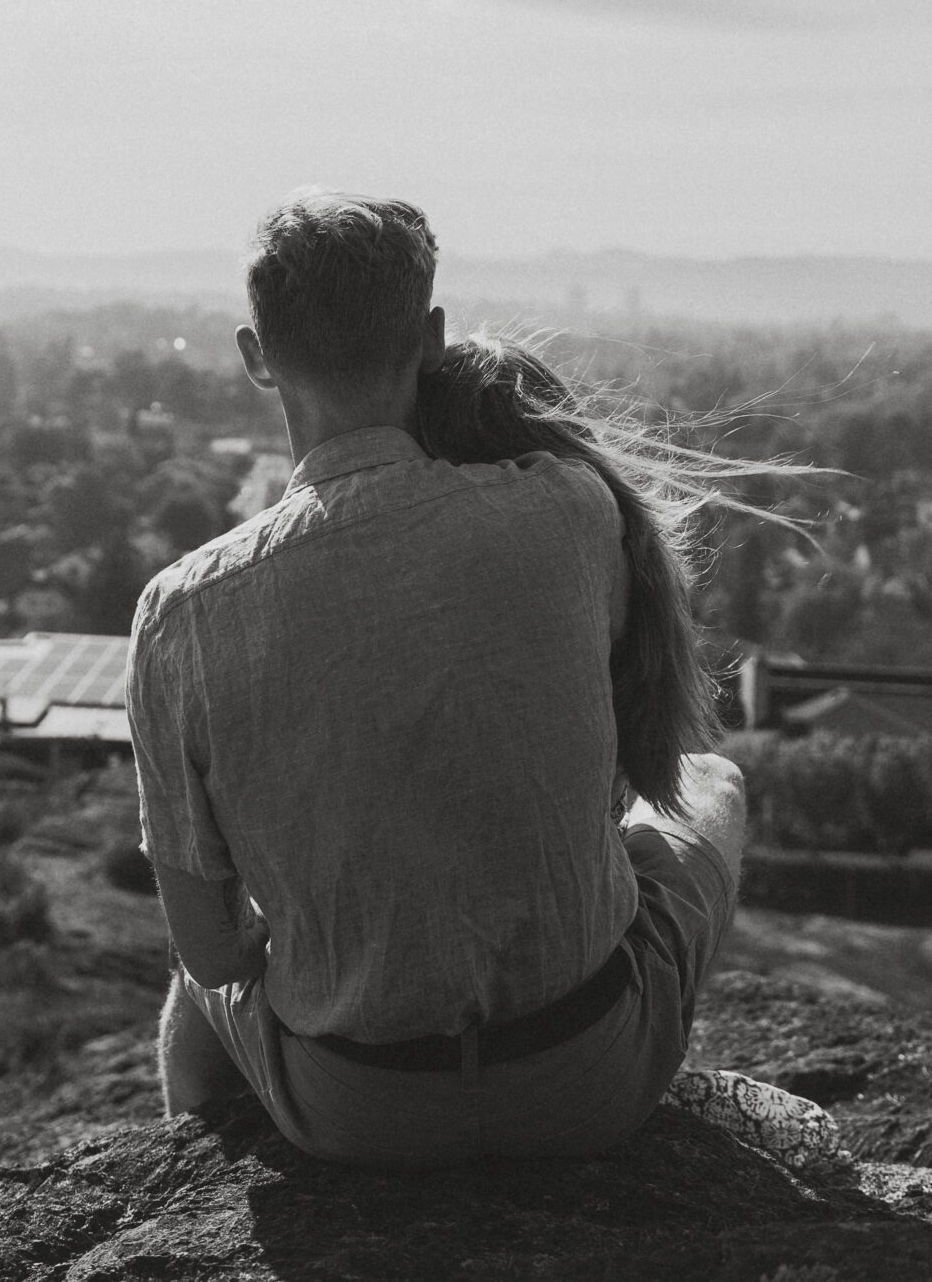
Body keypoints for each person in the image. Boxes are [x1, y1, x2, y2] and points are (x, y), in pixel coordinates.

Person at [126, 189, 753, 1167]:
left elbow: (212, 951)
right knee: (712, 785)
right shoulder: (567, 511)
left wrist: (311, 943)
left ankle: (186, 1161)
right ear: (428, 337)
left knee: (190, 971)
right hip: (589, 1079)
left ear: (256, 355)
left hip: (353, 1113)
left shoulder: (182, 611)